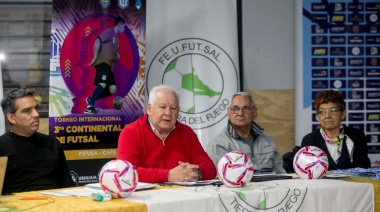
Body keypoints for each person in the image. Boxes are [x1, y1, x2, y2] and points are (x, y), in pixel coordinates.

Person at [117, 85, 216, 183]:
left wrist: (197, 174)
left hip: (182, 196)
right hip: (146, 197)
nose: (168, 113)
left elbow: (209, 166)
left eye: (173, 108)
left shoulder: (187, 132)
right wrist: (168, 176)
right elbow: (126, 172)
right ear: (149, 109)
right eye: (162, 107)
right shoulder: (131, 133)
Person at [0, 87, 75, 194]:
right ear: (11, 118)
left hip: (55, 205)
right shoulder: (2, 146)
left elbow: (67, 183)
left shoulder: (52, 143)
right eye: (27, 111)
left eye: (36, 108)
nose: (36, 114)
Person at [206, 92, 286, 174]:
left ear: (254, 113)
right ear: (229, 112)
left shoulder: (267, 140)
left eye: (246, 109)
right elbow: (219, 177)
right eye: (235, 109)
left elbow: (280, 173)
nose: (240, 113)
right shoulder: (218, 144)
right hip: (239, 186)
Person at [301, 90, 370, 170]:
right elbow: (309, 172)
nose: (327, 116)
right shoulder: (310, 140)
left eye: (333, 110)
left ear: (343, 114)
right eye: (322, 112)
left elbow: (362, 170)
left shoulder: (357, 136)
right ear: (318, 116)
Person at [85, 16, 126, 114]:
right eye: (123, 27)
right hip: (103, 62)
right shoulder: (110, 32)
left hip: (109, 67)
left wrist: (116, 55)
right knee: (102, 84)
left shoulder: (117, 40)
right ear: (119, 25)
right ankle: (89, 107)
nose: (123, 29)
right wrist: (95, 57)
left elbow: (111, 51)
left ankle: (91, 99)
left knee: (112, 89)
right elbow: (98, 40)